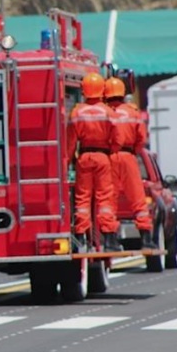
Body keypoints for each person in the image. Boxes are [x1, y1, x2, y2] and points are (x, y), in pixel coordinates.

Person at [66, 72, 122, 252]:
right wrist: (111, 151)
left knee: (82, 197)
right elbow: (118, 139)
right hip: (102, 157)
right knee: (104, 197)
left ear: (84, 90)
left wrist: (69, 160)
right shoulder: (108, 112)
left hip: (84, 157)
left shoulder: (76, 112)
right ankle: (109, 238)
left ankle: (80, 237)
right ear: (101, 90)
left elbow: (70, 141)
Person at [105, 77, 156, 249]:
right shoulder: (133, 113)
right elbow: (142, 138)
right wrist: (133, 151)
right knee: (137, 198)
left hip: (109, 157)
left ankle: (110, 240)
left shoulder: (104, 112)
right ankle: (146, 239)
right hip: (128, 156)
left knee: (108, 199)